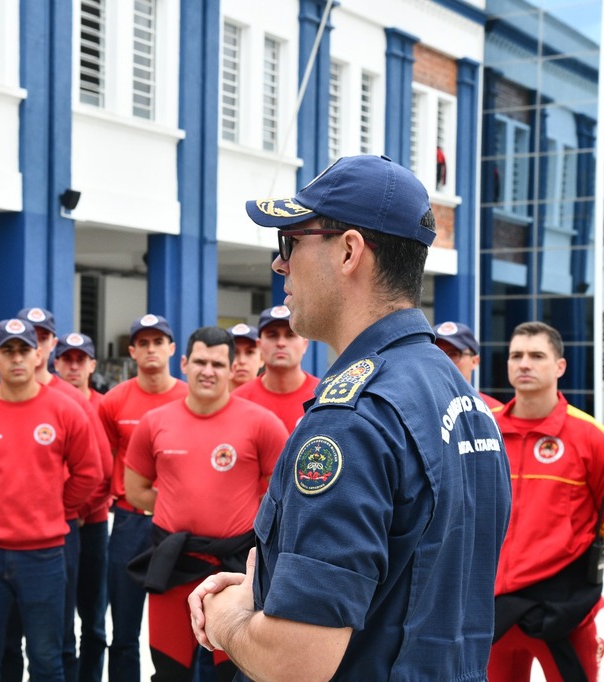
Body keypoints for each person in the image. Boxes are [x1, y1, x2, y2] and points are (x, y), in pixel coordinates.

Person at [189, 154, 512, 679]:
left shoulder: (352, 418)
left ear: (348, 251)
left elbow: (296, 659)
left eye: (290, 242)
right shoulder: (460, 397)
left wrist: (228, 619)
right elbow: (403, 582)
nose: (280, 265)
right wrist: (267, 589)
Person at [125, 326, 287, 681]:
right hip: (174, 565)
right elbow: (135, 490)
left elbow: (285, 494)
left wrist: (237, 515)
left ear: (232, 369)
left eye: (217, 363)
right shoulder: (155, 423)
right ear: (184, 363)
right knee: (168, 673)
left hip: (231, 571)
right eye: (200, 361)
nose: (208, 370)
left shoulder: (261, 423)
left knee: (233, 673)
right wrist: (177, 501)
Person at [0, 318, 101, 682]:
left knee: (47, 658)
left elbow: (88, 472)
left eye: (24, 350)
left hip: (45, 553)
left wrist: (56, 508)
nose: (16, 358)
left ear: (38, 356)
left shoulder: (65, 409)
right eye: (7, 351)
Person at [489, 321, 604, 681]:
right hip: (494, 612)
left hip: (562, 612)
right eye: (516, 355)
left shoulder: (589, 436)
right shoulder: (484, 430)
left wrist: (592, 602)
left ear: (560, 367)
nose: (524, 364)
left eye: (537, 356)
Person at [98, 314, 188, 682]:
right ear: (132, 351)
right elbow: (105, 461)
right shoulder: (113, 401)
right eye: (144, 343)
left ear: (172, 348)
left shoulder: (190, 396)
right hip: (130, 521)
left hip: (180, 525)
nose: (151, 349)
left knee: (186, 630)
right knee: (123, 631)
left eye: (158, 342)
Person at [54, 332, 109, 682]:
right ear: (56, 363)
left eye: (80, 359)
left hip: (95, 520)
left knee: (93, 616)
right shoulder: (53, 402)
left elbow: (104, 467)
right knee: (60, 617)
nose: (73, 366)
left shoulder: (103, 405)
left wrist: (88, 508)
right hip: (64, 521)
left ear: (92, 364)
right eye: (66, 359)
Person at [232, 305, 319, 434]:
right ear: (259, 345)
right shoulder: (237, 400)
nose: (281, 343)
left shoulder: (323, 395)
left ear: (304, 345)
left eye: (290, 335)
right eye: (272, 335)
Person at [434, 320, 504, 408]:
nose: (446, 361)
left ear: (474, 361)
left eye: (454, 354)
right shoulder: (418, 409)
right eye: (438, 353)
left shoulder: (493, 411)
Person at [226, 323, 261, 391]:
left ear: (262, 358)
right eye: (234, 352)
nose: (242, 361)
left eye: (250, 352)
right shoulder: (209, 399)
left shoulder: (274, 399)